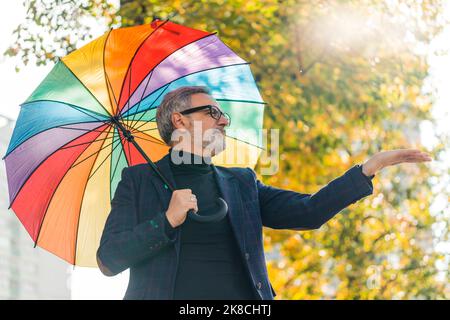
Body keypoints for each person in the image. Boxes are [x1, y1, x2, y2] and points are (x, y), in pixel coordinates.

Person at [96, 86, 432, 300]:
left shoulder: (241, 182)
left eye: (223, 115)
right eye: (212, 112)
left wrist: (366, 169)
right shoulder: (139, 181)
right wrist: (167, 220)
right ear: (179, 121)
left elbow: (309, 212)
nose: (223, 121)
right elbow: (109, 259)